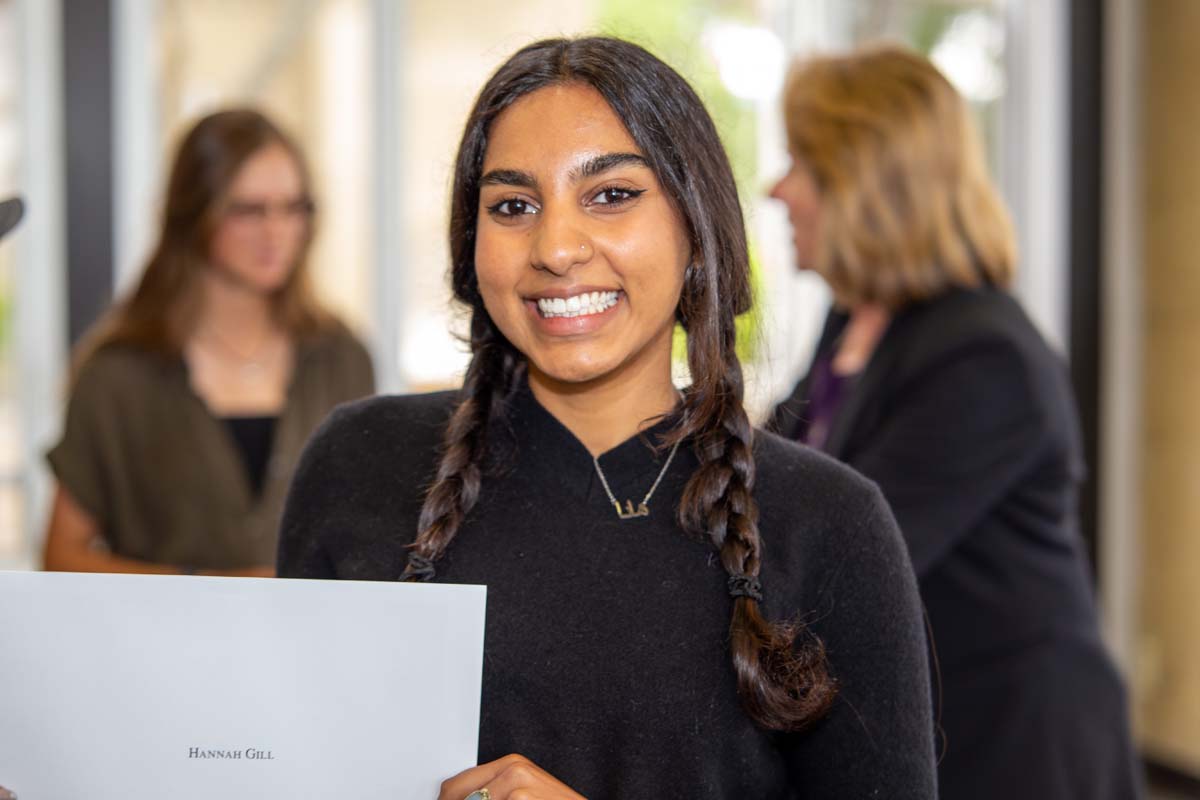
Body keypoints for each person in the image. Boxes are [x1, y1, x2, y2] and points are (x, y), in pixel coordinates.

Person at [279, 37, 935, 799]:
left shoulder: (830, 525)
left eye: (613, 195)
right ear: (472, 248)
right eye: (513, 206)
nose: (556, 248)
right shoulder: (359, 463)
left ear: (695, 229)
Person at [766, 44, 1141, 799]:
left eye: (801, 164)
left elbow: (839, 560)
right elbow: (773, 474)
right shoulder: (855, 320)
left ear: (868, 183)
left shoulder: (982, 355)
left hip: (1014, 749)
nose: (778, 191)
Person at [43, 109, 374, 577]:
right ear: (194, 212)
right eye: (248, 210)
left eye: (293, 207)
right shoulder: (118, 375)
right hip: (161, 647)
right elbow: (62, 558)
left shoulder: (342, 357)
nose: (276, 232)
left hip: (315, 647)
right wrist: (208, 589)